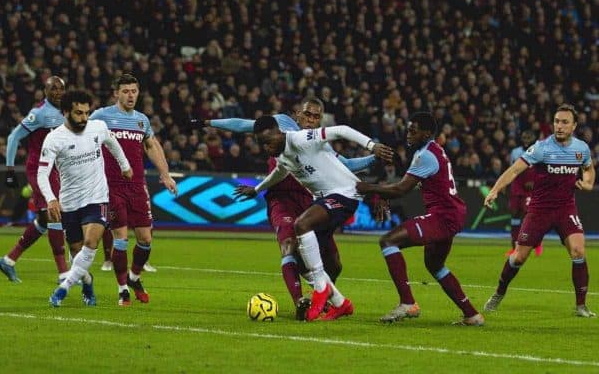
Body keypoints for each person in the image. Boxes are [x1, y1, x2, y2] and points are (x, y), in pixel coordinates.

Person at [202, 97, 376, 319]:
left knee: (334, 262)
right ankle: (301, 300)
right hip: (281, 199)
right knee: (290, 244)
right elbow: (247, 126)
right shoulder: (282, 126)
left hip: (311, 200)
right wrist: (209, 123)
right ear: (297, 115)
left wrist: (375, 157)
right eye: (307, 115)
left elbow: (347, 165)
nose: (311, 120)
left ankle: (332, 299)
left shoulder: (317, 142)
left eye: (316, 116)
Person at [234, 115, 394, 321]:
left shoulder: (301, 138)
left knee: (302, 224)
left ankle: (320, 289)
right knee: (301, 259)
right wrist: (256, 190)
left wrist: (371, 145)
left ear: (278, 133)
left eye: (268, 142)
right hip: (326, 198)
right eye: (262, 145)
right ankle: (340, 303)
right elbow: (280, 172)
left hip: (344, 193)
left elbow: (342, 129)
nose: (266, 148)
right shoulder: (281, 154)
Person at [356, 112, 484, 326]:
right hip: (451, 213)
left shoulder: (425, 155)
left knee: (388, 241)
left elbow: (401, 188)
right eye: (408, 129)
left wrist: (368, 188)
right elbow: (408, 185)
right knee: (434, 265)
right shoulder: (431, 151)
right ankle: (472, 315)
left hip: (443, 215)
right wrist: (383, 193)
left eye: (413, 131)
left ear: (426, 133)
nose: (408, 134)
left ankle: (408, 302)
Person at [483, 104, 595, 317]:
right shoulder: (542, 148)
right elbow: (515, 169)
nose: (559, 126)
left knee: (579, 251)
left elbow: (588, 169)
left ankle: (581, 305)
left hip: (565, 208)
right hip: (539, 210)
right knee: (519, 257)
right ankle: (499, 292)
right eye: (556, 121)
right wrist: (495, 190)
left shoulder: (581, 149)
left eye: (564, 122)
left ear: (574, 126)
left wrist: (588, 183)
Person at [90, 74, 178, 306]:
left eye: (134, 91)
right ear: (116, 93)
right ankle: (122, 290)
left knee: (145, 239)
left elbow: (151, 145)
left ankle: (134, 277)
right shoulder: (101, 116)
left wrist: (165, 174)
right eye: (126, 91)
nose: (130, 95)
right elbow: (85, 139)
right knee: (120, 239)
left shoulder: (142, 121)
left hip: (137, 187)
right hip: (112, 188)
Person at [38, 90, 132, 306]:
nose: (84, 118)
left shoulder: (97, 127)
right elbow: (42, 173)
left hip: (98, 198)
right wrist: (51, 199)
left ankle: (63, 289)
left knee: (92, 241)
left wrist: (124, 165)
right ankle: (87, 281)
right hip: (70, 203)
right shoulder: (54, 139)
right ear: (65, 112)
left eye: (87, 113)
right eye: (78, 113)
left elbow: (112, 143)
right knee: (77, 253)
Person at [0, 76, 69, 283]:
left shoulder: (65, 111)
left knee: (44, 220)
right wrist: (10, 170)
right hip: (40, 169)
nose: (57, 92)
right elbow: (13, 137)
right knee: (55, 214)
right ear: (45, 91)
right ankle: (64, 273)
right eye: (53, 88)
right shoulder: (39, 113)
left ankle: (8, 260)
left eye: (60, 88)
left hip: (56, 169)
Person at [506, 130, 542, 257]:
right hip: (517, 186)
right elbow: (511, 169)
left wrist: (534, 181)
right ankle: (514, 246)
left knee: (529, 216)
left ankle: (537, 243)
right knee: (515, 215)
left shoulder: (538, 151)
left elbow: (541, 170)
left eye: (529, 137)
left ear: (533, 139)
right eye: (524, 137)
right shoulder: (515, 152)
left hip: (531, 186)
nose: (526, 139)